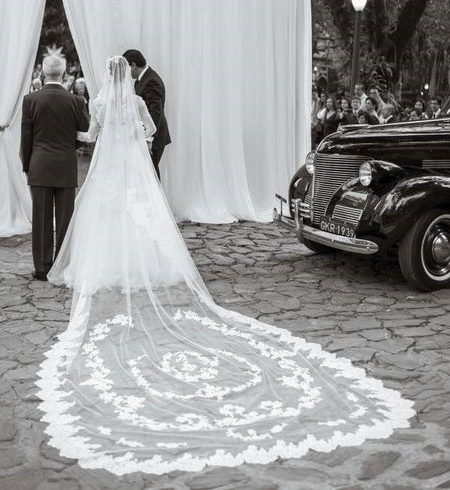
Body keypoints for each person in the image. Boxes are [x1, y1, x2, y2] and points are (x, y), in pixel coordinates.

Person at [36, 56, 413, 475]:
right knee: (142, 217)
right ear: (130, 74)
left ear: (109, 76)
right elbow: (152, 133)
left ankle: (107, 265)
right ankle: (145, 265)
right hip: (132, 171)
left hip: (108, 173)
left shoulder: (103, 101)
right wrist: (136, 145)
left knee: (107, 217)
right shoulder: (138, 102)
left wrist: (97, 141)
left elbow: (91, 136)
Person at [20, 55, 89, 281]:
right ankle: (62, 266)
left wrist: (28, 165)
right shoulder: (76, 101)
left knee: (40, 219)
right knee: (65, 219)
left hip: (39, 164)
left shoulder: (31, 100)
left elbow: (26, 137)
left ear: (43, 72)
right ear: (63, 72)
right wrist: (69, 146)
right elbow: (85, 132)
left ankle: (42, 268)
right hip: (65, 165)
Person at [123, 49, 171, 179]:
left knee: (151, 175)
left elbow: (155, 112)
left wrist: (149, 138)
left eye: (126, 69)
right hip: (146, 134)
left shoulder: (151, 81)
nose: (126, 74)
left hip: (153, 137)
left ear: (133, 65)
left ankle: (156, 200)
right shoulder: (142, 79)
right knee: (146, 174)